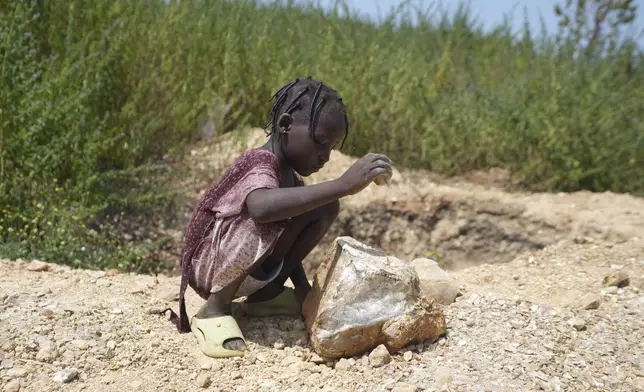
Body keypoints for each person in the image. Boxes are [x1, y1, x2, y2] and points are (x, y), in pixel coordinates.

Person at [163, 77, 393, 358]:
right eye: (321, 143)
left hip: (242, 267)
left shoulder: (292, 178)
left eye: (331, 149)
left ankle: (266, 295)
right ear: (285, 125)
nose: (325, 158)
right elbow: (261, 208)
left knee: (322, 206)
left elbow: (292, 227)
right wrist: (343, 185)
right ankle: (214, 310)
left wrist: (303, 289)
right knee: (268, 214)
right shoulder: (259, 161)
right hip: (209, 267)